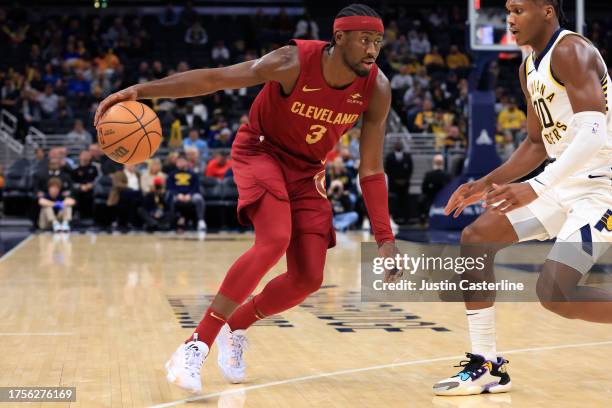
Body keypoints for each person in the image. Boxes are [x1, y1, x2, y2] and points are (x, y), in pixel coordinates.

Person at [95, 3, 399, 395]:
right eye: (364, 40)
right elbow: (216, 79)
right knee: (273, 238)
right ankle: (195, 343)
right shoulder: (292, 61)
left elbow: (371, 169)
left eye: (377, 41)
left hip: (308, 170)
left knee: (308, 278)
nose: (372, 49)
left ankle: (236, 326)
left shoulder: (376, 88)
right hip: (261, 150)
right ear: (338, 37)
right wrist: (140, 91)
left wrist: (385, 239)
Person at [435, 0, 612, 396]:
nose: (510, 18)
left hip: (601, 190)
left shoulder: (572, 50)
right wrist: (485, 182)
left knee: (555, 294)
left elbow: (594, 133)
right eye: (508, 10)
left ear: (547, 11)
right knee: (477, 238)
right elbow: (536, 143)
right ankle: (486, 365)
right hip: (560, 184)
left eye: (519, 9)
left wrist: (537, 186)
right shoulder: (527, 65)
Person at [166, 156, 206, 232]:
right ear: (176, 163)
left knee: (199, 198)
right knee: (171, 198)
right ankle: (173, 223)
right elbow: (170, 188)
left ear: (186, 162)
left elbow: (196, 187)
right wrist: (178, 194)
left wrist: (189, 195)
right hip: (177, 195)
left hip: (190, 195)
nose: (180, 163)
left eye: (182, 161)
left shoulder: (193, 174)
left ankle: (201, 221)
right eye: (179, 162)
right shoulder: (172, 174)